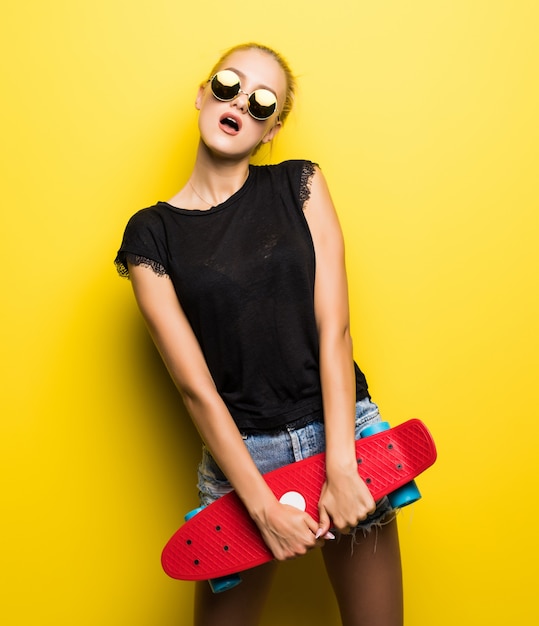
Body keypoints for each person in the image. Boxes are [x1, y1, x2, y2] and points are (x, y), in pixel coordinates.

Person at [115, 42, 403, 626]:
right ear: (202, 94)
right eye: (228, 84)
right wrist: (263, 508)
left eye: (262, 99)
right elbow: (196, 387)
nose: (240, 101)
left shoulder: (300, 184)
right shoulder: (151, 234)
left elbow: (335, 330)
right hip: (243, 459)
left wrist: (341, 466)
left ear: (272, 129)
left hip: (344, 431)